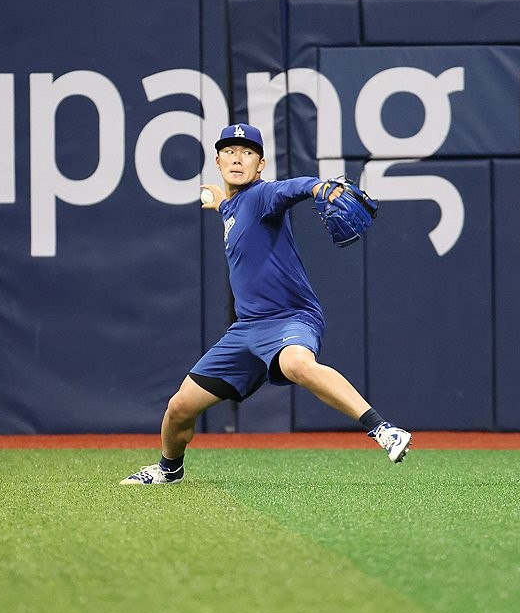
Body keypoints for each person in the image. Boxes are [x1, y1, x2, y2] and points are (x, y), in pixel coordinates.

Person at [121, 123, 411, 484]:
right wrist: (220, 204)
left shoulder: (262, 196)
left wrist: (320, 187)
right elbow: (234, 212)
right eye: (229, 151)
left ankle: (382, 429)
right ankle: (169, 469)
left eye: (247, 152)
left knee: (296, 363)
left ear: (260, 164)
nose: (237, 158)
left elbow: (290, 189)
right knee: (179, 408)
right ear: (217, 160)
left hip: (291, 316)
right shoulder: (234, 206)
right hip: (246, 331)